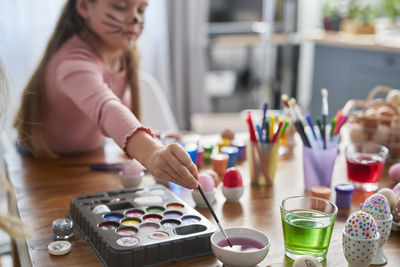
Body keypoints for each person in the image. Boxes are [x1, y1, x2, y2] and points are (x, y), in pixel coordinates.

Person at [13, 0, 198, 189]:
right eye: (119, 7)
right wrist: (150, 151)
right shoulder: (71, 62)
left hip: (90, 156)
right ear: (84, 7)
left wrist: (152, 140)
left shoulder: (123, 55)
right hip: (42, 163)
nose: (135, 18)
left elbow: (115, 119)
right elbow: (106, 108)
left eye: (141, 10)